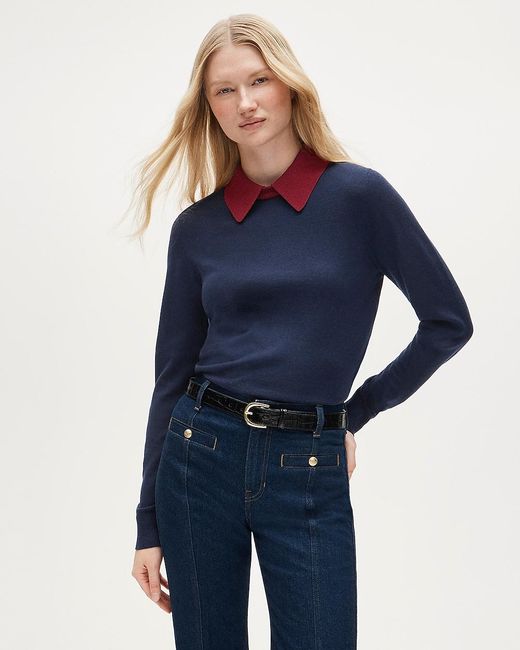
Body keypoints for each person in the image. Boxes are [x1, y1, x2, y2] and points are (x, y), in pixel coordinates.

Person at [129, 13, 474, 650]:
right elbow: (170, 380)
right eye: (225, 90)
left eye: (259, 80)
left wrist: (351, 415)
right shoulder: (197, 229)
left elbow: (448, 322)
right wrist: (147, 523)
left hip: (307, 462)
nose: (246, 102)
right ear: (209, 108)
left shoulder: (359, 198)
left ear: (290, 85)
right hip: (199, 456)